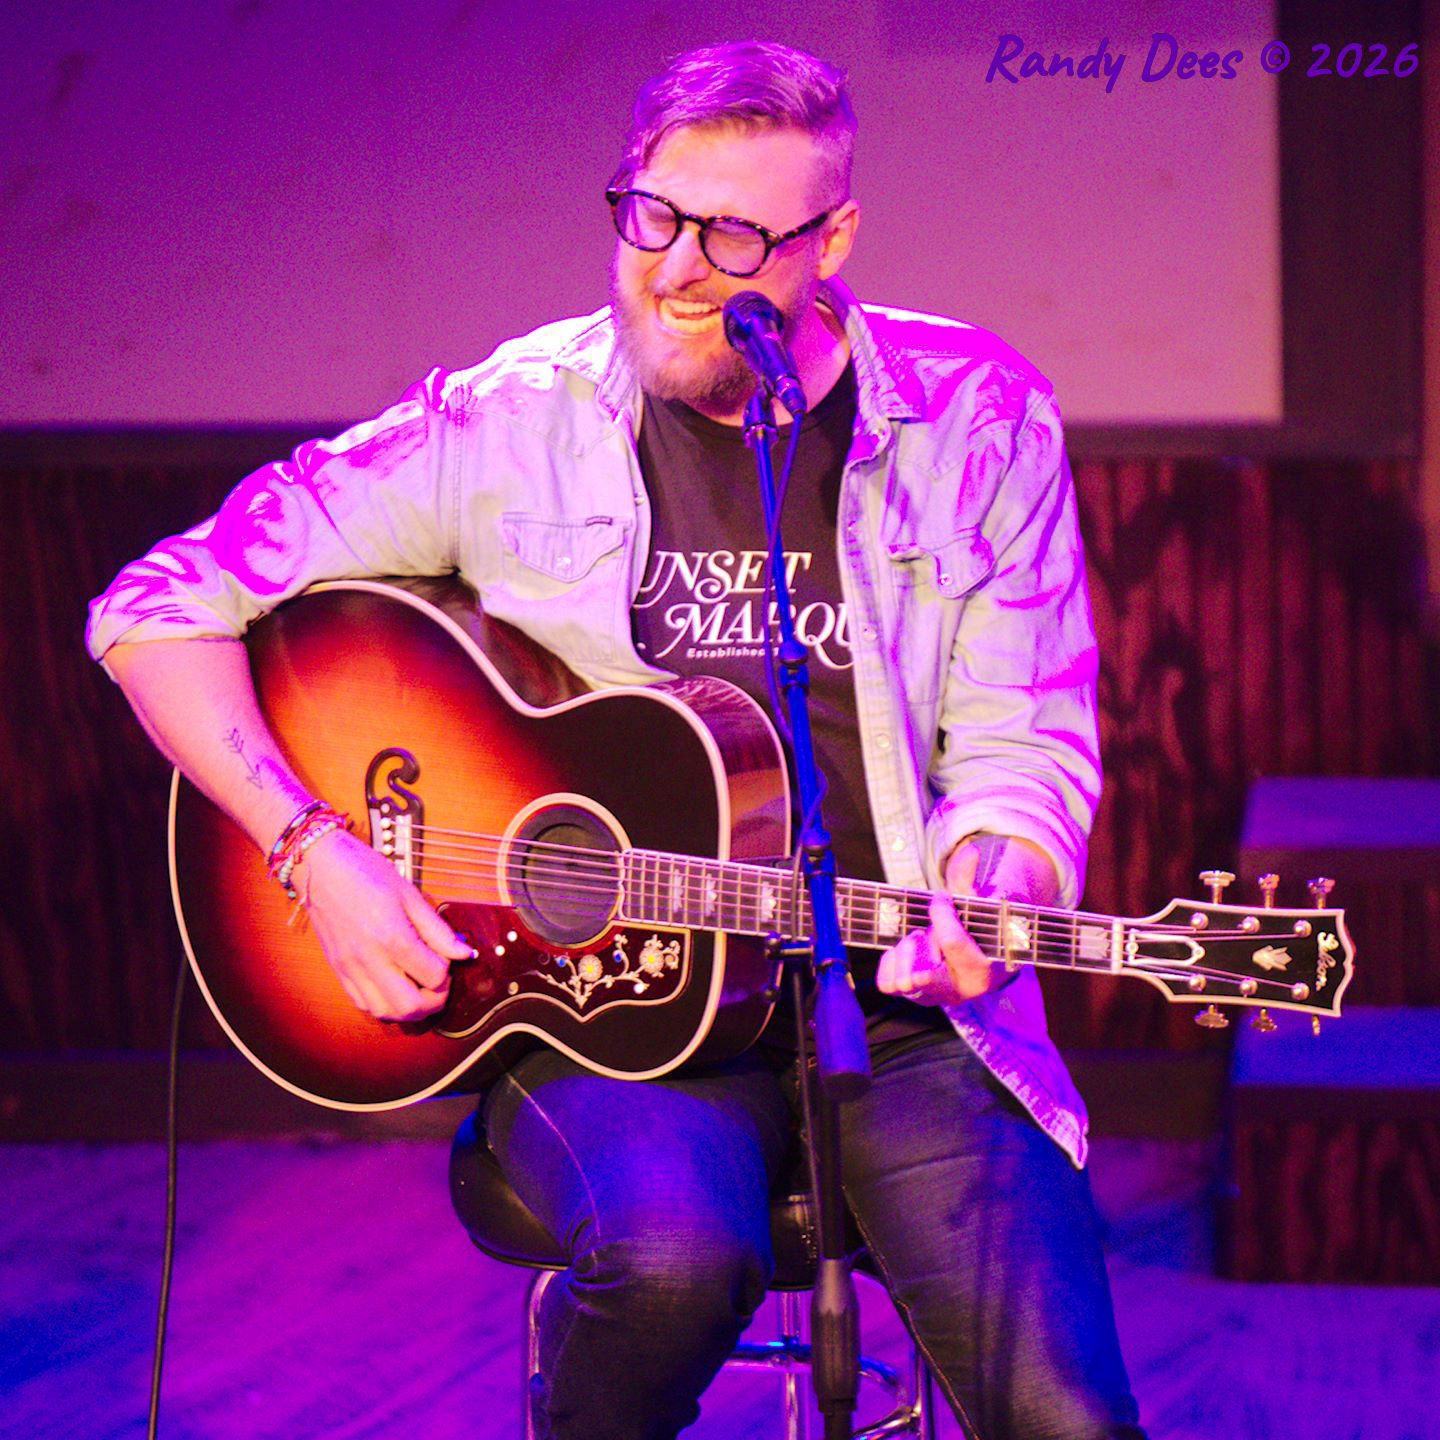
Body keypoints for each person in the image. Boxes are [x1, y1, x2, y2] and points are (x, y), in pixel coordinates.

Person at [87, 40, 1143, 1440]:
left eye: (736, 237)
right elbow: (158, 605)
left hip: (905, 1015)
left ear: (832, 241)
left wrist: (997, 891)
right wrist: (314, 846)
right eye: (652, 216)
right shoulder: (508, 420)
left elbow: (1024, 747)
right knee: (671, 1262)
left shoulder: (978, 419)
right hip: (606, 1023)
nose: (677, 271)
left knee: (1069, 1419)